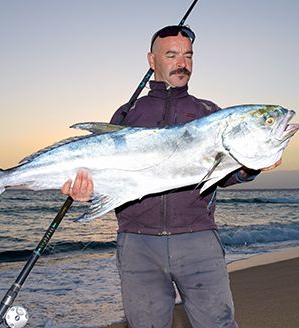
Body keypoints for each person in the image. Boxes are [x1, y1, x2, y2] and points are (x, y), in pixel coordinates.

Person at [62, 25, 280, 328]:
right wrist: (85, 190)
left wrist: (247, 168)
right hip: (138, 245)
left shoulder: (209, 113)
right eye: (172, 55)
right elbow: (108, 174)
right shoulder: (127, 114)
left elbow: (224, 174)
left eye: (188, 56)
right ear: (152, 60)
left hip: (199, 239)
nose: (183, 63)